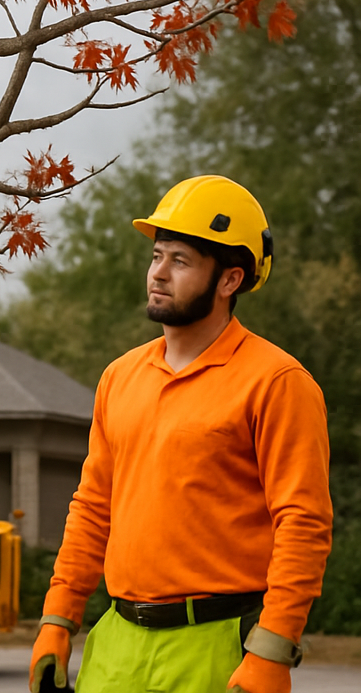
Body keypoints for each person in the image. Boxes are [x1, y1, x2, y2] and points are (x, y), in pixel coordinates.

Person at [28, 175, 332, 693]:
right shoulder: (119, 377)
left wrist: (274, 646)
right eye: (156, 256)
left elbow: (302, 523)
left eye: (181, 261)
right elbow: (92, 506)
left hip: (217, 647)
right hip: (117, 646)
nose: (158, 273)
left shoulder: (278, 383)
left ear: (230, 280)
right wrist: (57, 619)